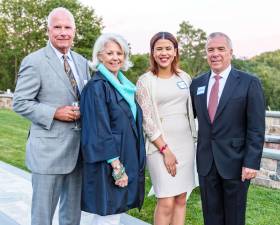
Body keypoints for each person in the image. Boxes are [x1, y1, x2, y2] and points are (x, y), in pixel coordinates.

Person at [12, 7, 90, 225]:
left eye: (67, 27)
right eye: (57, 27)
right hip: (47, 154)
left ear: (74, 31)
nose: (63, 32)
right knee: (42, 217)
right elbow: (20, 102)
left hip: (78, 154)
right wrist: (54, 113)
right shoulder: (34, 61)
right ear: (48, 31)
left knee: (72, 217)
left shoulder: (82, 62)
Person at [190, 32, 265, 225]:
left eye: (220, 49)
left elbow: (256, 127)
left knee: (234, 218)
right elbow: (189, 118)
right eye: (210, 50)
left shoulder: (249, 82)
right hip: (206, 163)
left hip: (237, 162)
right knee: (211, 217)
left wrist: (251, 162)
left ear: (230, 53)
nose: (215, 54)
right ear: (206, 54)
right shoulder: (197, 84)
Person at [80, 33, 146, 225]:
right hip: (107, 162)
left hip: (124, 156)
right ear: (99, 56)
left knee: (112, 213)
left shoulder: (123, 87)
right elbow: (99, 129)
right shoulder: (97, 87)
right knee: (105, 215)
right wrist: (117, 167)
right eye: (110, 53)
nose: (115, 57)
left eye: (120, 53)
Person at [136, 32, 197, 225]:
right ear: (153, 53)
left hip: (186, 145)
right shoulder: (145, 81)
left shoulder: (184, 77)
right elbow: (146, 120)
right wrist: (165, 149)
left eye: (168, 48)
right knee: (166, 201)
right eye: (159, 49)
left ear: (175, 51)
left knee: (181, 198)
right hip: (159, 147)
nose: (164, 53)